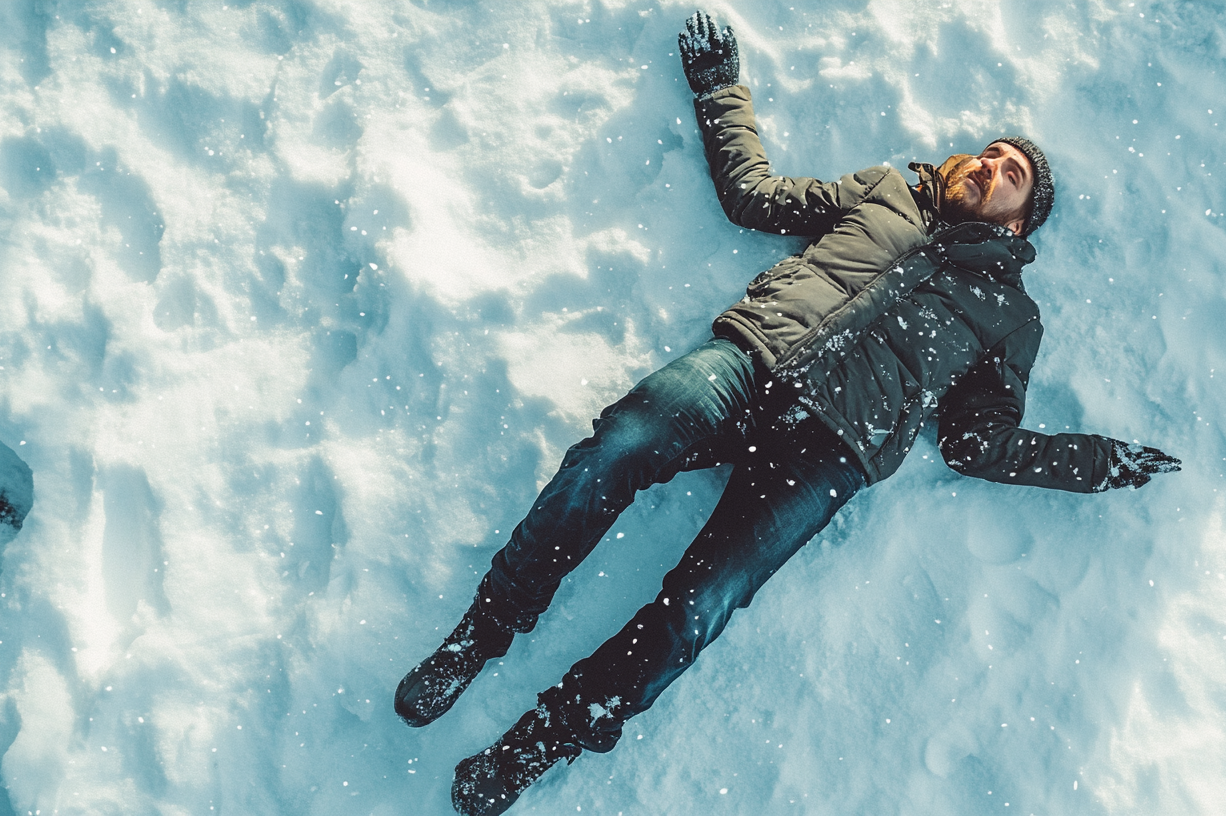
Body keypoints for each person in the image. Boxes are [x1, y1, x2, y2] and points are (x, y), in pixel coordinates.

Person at [398, 12, 1182, 815]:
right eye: (987, 153)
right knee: (613, 450)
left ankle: (542, 740)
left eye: (1009, 172)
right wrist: (721, 92)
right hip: (754, 364)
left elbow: (976, 441)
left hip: (831, 452)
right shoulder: (887, 193)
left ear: (1018, 221)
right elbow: (754, 196)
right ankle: (484, 632)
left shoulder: (1010, 316)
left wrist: (1093, 463)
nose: (987, 167)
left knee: (697, 608)